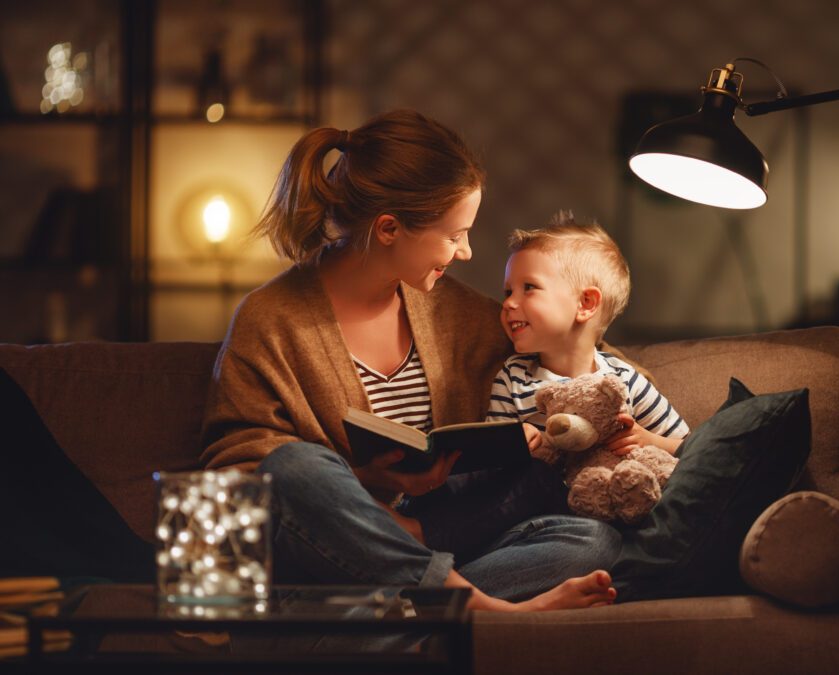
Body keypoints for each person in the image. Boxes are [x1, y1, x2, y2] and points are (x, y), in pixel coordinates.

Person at [200, 110, 619, 612]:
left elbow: (584, 359)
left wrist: (627, 422)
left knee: (593, 541)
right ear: (389, 228)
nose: (465, 252)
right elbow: (241, 475)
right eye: (454, 234)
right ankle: (480, 610)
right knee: (292, 468)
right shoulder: (270, 319)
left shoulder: (460, 313)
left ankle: (398, 610)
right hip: (334, 551)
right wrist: (365, 481)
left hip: (445, 536)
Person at [487, 213, 690, 456]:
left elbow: (691, 447)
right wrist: (517, 441)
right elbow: (490, 456)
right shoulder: (513, 378)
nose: (508, 303)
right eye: (508, 292)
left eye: (528, 288)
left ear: (585, 303)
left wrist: (649, 440)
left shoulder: (624, 380)